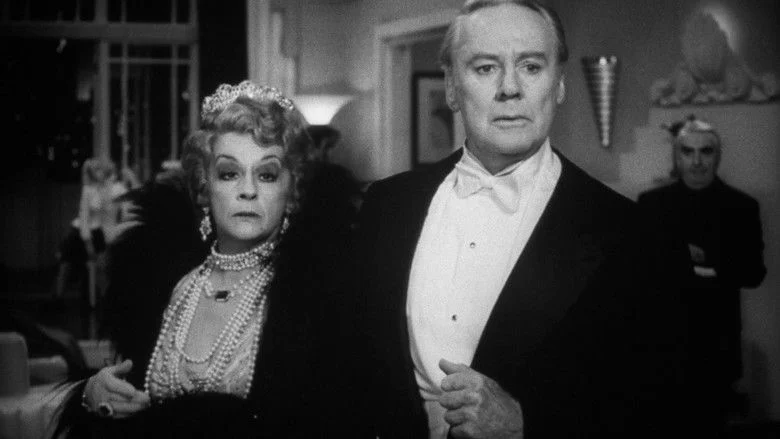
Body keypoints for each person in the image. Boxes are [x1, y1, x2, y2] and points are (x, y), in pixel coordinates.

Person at [352, 1, 698, 437]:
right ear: (452, 88)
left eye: (531, 67)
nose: (510, 88)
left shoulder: (638, 236)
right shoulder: (386, 206)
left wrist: (526, 423)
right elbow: (353, 370)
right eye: (485, 68)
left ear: (559, 84)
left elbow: (674, 407)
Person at [56, 81, 358, 438]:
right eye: (229, 173)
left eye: (267, 175)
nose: (248, 190)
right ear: (204, 186)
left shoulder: (315, 298)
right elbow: (132, 395)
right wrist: (95, 394)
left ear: (291, 192)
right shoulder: (162, 285)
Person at [638, 115, 766, 429]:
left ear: (717, 157)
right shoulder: (652, 205)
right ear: (677, 157)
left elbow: (753, 273)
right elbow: (639, 270)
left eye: (706, 152)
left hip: (717, 344)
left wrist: (701, 263)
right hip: (663, 343)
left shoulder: (742, 207)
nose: (697, 161)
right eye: (688, 152)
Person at [54, 158, 124, 300]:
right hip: (80, 232)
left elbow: (110, 212)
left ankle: (108, 301)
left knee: (100, 270)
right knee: (66, 267)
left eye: (101, 171)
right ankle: (57, 299)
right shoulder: (88, 190)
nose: (99, 173)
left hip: (97, 232)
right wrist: (88, 243)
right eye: (96, 170)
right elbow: (84, 217)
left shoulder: (108, 189)